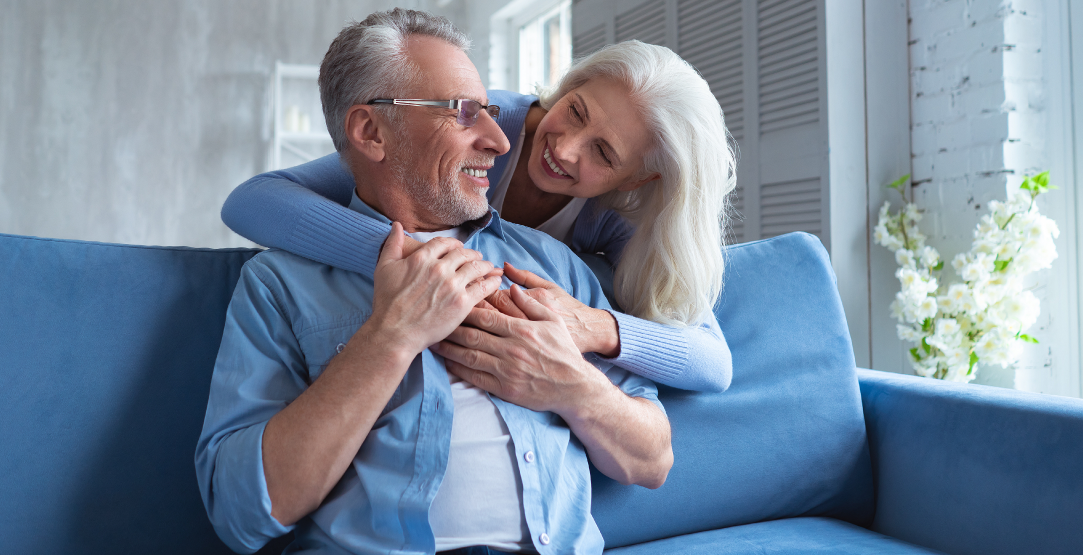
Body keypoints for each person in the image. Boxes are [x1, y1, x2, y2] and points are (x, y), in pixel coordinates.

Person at [196, 9, 672, 555]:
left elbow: (652, 459)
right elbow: (242, 516)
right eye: (464, 113)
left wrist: (571, 384)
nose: (499, 140)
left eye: (491, 112)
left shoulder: (552, 264)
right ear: (371, 131)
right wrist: (390, 337)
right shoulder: (279, 285)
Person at [222, 36, 736, 393]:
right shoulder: (480, 127)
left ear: (637, 181)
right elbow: (251, 200)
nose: (566, 147)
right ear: (569, 85)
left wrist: (594, 326)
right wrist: (410, 259)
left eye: (604, 153)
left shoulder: (607, 216)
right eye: (576, 110)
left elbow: (712, 361)